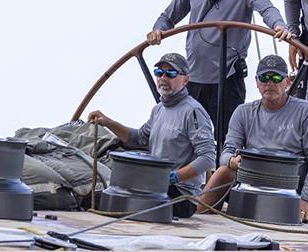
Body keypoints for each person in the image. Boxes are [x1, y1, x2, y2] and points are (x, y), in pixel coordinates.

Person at [148, 0, 292, 144]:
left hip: (227, 76)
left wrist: (279, 26)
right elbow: (169, 16)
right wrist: (158, 29)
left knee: (227, 141)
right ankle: (190, 178)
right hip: (193, 77)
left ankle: (223, 178)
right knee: (188, 139)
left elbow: (266, 8)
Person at [198, 55, 308, 221]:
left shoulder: (306, 111)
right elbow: (226, 153)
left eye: (276, 78)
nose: (270, 83)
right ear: (257, 82)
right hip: (250, 186)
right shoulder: (243, 112)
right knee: (224, 171)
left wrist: (306, 200)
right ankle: (199, 221)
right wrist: (232, 161)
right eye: (264, 78)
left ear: (287, 82)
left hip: (289, 191)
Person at [88, 53, 216, 218]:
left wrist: (173, 177)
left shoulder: (193, 112)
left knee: (116, 201)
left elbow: (208, 157)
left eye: (170, 73)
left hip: (180, 196)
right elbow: (138, 139)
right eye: (159, 72)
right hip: (155, 187)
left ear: (186, 80)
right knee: (98, 197)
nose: (163, 77)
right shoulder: (158, 110)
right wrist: (107, 122)